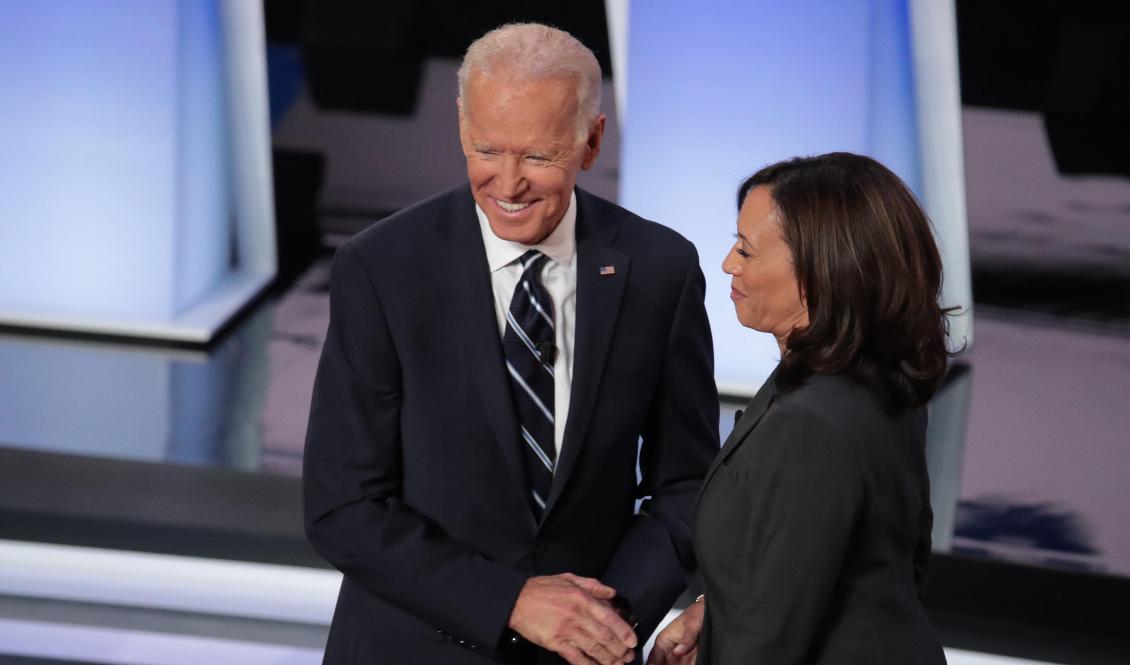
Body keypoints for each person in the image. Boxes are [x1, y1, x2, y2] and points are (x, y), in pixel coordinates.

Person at [303, 23, 719, 665]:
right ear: (462, 127)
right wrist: (511, 601)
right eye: (487, 149)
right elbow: (344, 506)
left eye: (539, 156)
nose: (509, 183)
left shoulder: (658, 268)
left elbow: (686, 483)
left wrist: (610, 613)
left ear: (591, 141)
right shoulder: (383, 266)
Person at [648, 153, 951, 664]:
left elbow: (769, 643)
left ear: (817, 272)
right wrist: (714, 613)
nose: (728, 263)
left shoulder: (811, 424)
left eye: (746, 250)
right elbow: (886, 567)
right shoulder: (871, 376)